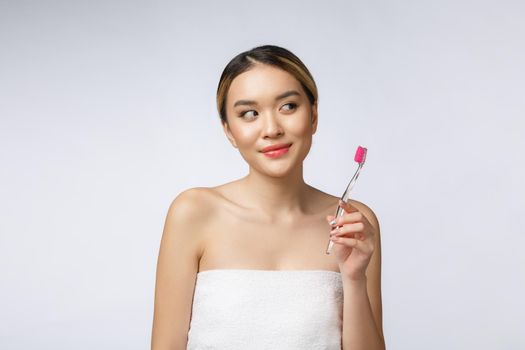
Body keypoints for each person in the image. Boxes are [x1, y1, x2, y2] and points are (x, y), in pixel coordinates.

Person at [151, 45, 385, 350]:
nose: (272, 129)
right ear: (229, 131)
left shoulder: (354, 224)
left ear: (313, 115)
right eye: (249, 114)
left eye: (288, 106)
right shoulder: (193, 213)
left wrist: (354, 280)